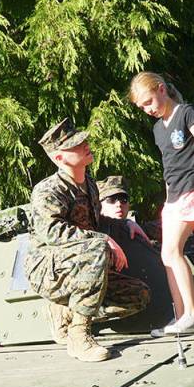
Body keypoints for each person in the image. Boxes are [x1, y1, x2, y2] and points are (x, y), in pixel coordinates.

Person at [24, 118, 150, 362]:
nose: (85, 145)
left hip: (84, 264)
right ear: (59, 158)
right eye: (75, 145)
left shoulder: (90, 185)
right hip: (48, 269)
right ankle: (79, 336)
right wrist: (102, 239)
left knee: (139, 295)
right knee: (97, 247)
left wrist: (125, 224)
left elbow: (96, 223)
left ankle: (67, 313)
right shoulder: (48, 190)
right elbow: (52, 232)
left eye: (83, 140)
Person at [128, 72, 194, 336]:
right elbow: (168, 167)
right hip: (173, 197)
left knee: (171, 251)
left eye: (149, 102)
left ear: (161, 90)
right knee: (166, 256)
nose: (148, 110)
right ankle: (181, 317)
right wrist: (167, 202)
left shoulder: (186, 113)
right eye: (142, 107)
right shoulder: (158, 129)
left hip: (193, 189)